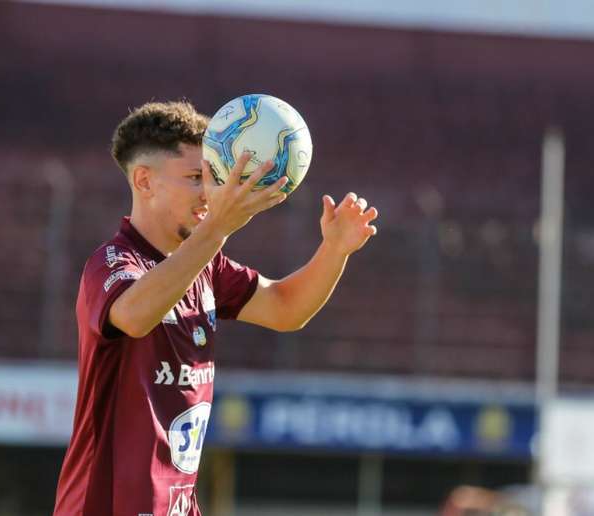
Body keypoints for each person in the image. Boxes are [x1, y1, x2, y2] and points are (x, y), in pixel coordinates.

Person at [53, 100, 378, 516]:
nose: (211, 191)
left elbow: (285, 309)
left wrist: (334, 250)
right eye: (195, 177)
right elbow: (134, 316)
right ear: (144, 181)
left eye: (214, 176)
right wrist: (217, 229)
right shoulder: (112, 263)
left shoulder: (206, 265)